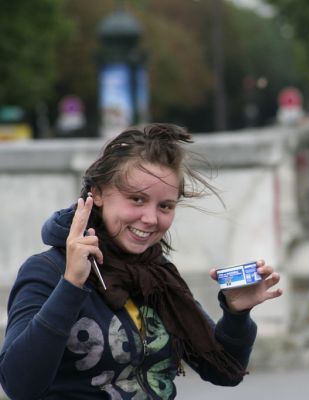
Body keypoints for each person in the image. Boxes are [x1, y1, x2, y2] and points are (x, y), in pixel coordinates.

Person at [0, 123, 283, 399]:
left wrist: (236, 314)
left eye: (165, 206)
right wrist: (71, 284)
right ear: (97, 194)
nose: (150, 219)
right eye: (136, 199)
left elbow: (225, 372)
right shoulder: (46, 271)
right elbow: (19, 385)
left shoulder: (157, 275)